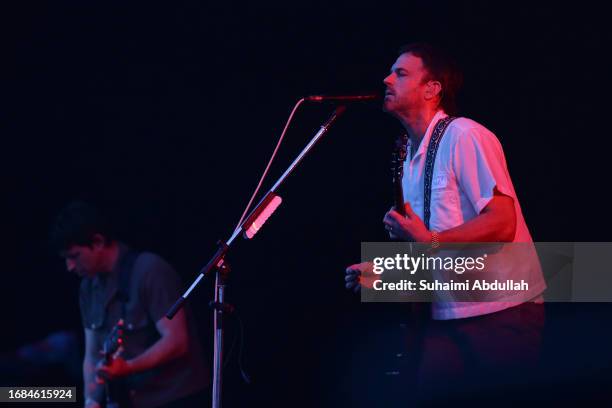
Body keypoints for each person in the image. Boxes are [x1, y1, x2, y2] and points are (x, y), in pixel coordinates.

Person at [345, 43, 547, 403]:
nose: (386, 79)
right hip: (446, 315)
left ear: (432, 88)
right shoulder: (408, 157)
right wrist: (388, 274)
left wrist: (430, 241)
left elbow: (502, 222)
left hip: (502, 312)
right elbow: (430, 248)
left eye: (401, 73)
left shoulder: (465, 135)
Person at [51, 201, 209, 408]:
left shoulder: (150, 270)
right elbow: (91, 354)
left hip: (179, 397)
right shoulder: (88, 288)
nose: (69, 267)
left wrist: (128, 367)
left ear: (98, 242)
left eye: (74, 256)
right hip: (137, 401)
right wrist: (90, 401)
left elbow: (177, 341)